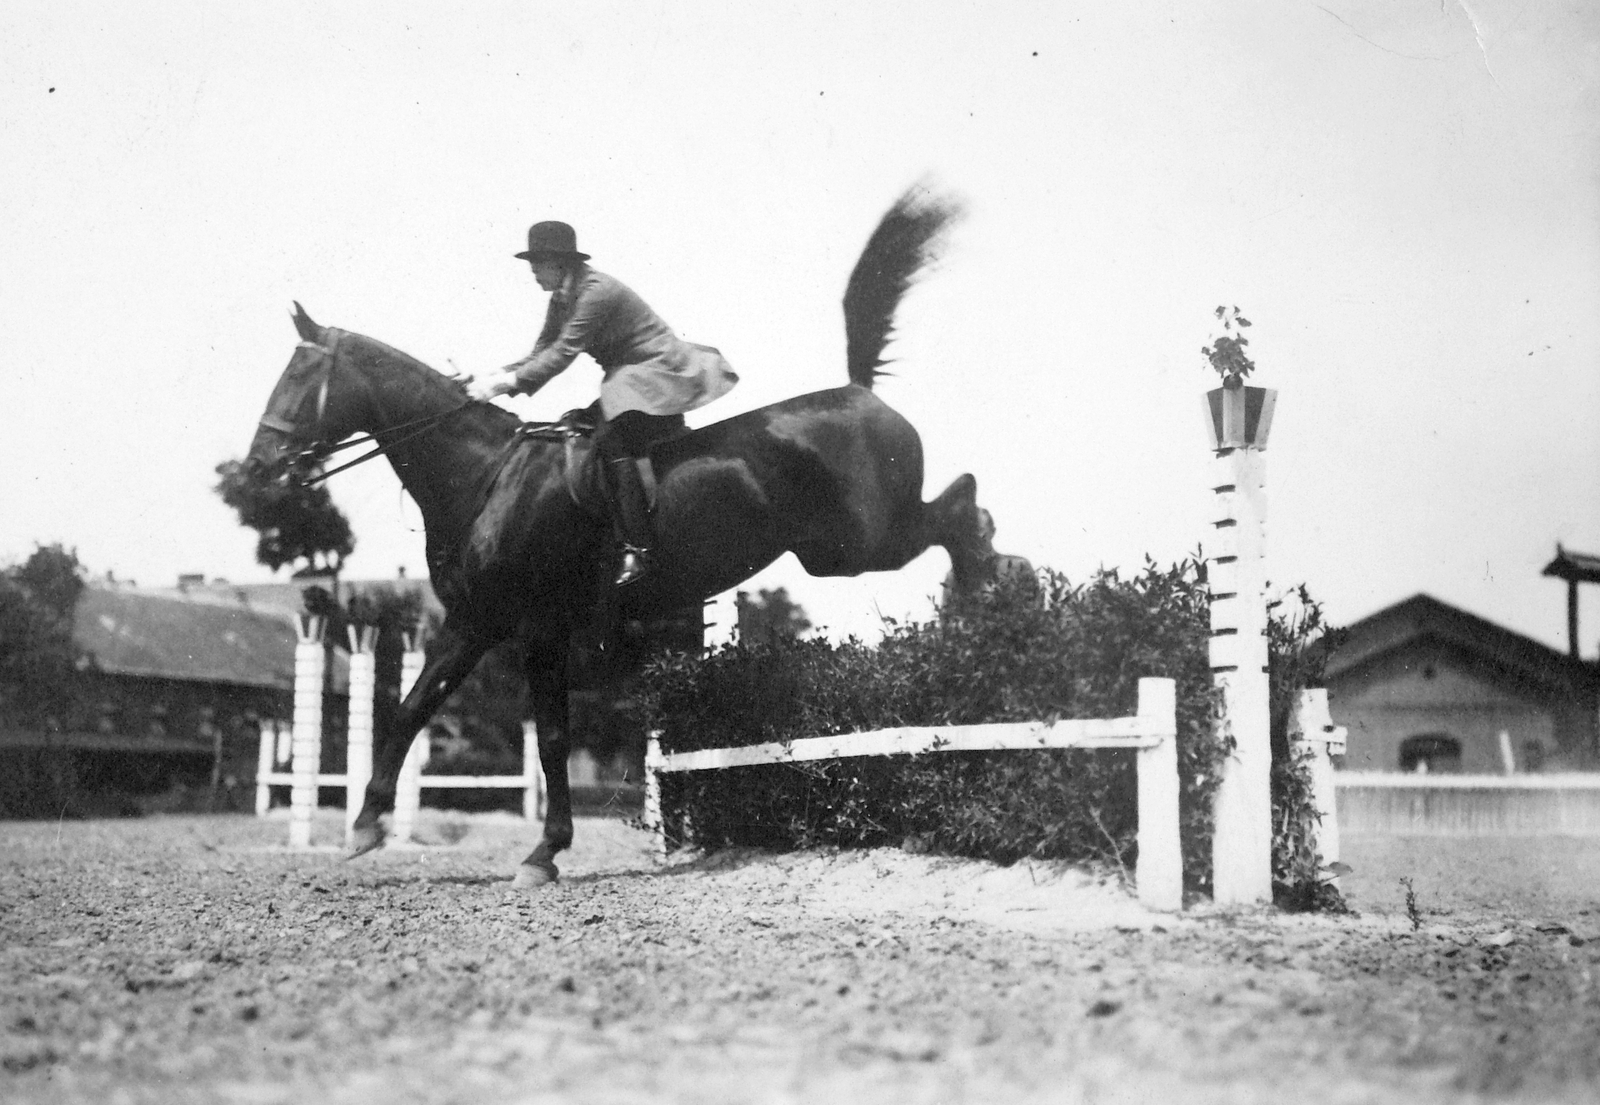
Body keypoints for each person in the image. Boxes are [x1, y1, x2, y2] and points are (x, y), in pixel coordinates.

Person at [460, 221, 738, 585]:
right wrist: (489, 377)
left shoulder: (596, 292)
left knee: (610, 439)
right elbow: (541, 351)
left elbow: (562, 353)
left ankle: (639, 548)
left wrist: (502, 386)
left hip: (657, 370)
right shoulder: (562, 297)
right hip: (629, 375)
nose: (532, 273)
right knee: (579, 426)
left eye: (536, 264)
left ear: (559, 263)